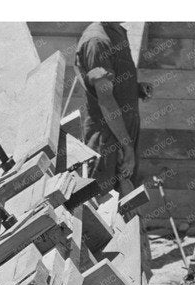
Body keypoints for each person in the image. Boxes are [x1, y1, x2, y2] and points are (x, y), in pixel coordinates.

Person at [77, 22, 148, 190]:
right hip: (107, 140)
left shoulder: (116, 31)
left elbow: (112, 85)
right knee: (103, 203)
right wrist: (127, 146)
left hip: (124, 133)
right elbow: (106, 100)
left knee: (125, 203)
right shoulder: (97, 41)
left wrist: (135, 89)